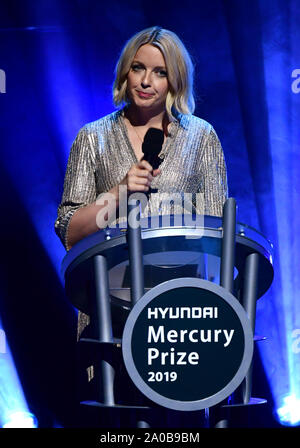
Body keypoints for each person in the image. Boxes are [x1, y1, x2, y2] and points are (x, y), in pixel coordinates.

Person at [54, 26, 228, 396]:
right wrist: (118, 193)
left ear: (175, 80)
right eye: (138, 68)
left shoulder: (201, 137)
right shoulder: (93, 138)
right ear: (125, 73)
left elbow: (215, 237)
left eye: (160, 72)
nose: (146, 81)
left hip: (181, 318)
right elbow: (68, 232)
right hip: (109, 313)